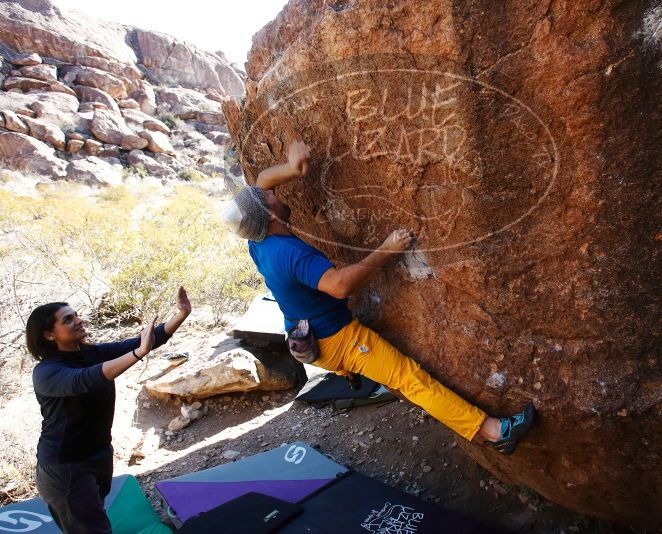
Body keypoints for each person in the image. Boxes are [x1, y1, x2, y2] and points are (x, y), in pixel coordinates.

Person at [222, 141, 535, 455]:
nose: (273, 192)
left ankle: (349, 373)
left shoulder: (258, 238)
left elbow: (262, 182)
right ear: (271, 216)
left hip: (305, 333)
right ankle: (496, 433)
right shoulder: (289, 254)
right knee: (409, 379)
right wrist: (388, 248)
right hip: (337, 339)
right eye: (270, 198)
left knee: (378, 367)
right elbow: (340, 286)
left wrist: (291, 168)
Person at [26, 287, 192, 534]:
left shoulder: (91, 352)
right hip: (65, 466)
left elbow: (147, 340)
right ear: (50, 335)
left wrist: (181, 314)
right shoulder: (46, 373)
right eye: (67, 319)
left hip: (99, 453)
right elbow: (84, 380)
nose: (78, 320)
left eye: (76, 315)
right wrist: (138, 354)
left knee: (96, 519)